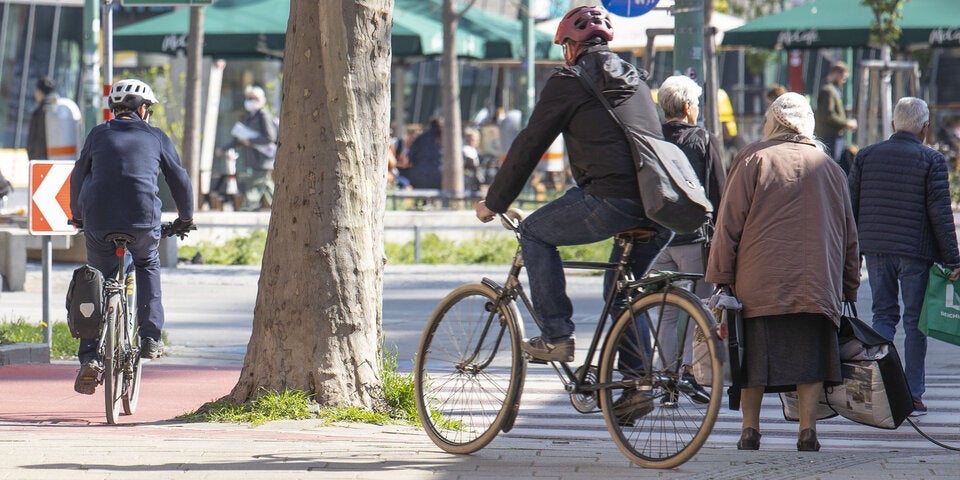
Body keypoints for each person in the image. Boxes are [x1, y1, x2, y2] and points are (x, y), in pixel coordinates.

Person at [474, 5, 671, 418]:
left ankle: (556, 334)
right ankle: (636, 383)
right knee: (624, 290)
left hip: (611, 198)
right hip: (660, 204)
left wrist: (495, 202)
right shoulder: (636, 79)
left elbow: (530, 144)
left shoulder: (568, 79)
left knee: (533, 232)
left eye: (564, 45)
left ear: (570, 46)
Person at [705, 92, 860, 452]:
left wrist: (721, 277)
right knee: (810, 359)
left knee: (752, 359)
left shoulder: (752, 159)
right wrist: (849, 287)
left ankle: (750, 430)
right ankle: (808, 432)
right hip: (815, 285)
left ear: (772, 121)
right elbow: (850, 235)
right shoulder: (830, 168)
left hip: (758, 285)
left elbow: (728, 224)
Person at [69, 78, 195, 395]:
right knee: (147, 262)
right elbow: (179, 179)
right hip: (142, 223)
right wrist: (185, 218)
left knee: (97, 278)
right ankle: (150, 336)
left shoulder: (98, 134)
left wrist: (78, 216)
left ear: (114, 110)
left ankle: (88, 357)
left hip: (98, 222)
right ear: (142, 110)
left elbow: (78, 175)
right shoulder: (155, 136)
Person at [847, 97, 960, 416]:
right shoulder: (931, 159)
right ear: (925, 128)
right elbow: (939, 213)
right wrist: (953, 260)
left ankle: (882, 393)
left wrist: (851, 254)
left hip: (877, 249)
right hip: (915, 252)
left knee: (882, 316)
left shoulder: (866, 155)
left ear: (894, 124)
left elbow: (851, 207)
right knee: (914, 323)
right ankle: (912, 395)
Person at [653, 75, 726, 403]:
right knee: (700, 309)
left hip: (657, 243)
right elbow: (719, 192)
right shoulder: (703, 139)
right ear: (686, 107)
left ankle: (666, 378)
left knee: (667, 312)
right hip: (694, 241)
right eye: (696, 103)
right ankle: (689, 373)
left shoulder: (650, 138)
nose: (698, 109)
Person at [219, 85, 277, 211]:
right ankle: (281, 206)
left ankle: (248, 207)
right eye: (249, 98)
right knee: (266, 184)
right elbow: (239, 139)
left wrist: (250, 141)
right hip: (253, 158)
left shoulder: (263, 115)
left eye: (253, 98)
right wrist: (223, 149)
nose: (250, 101)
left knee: (255, 183)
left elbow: (270, 137)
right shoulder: (250, 116)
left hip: (262, 158)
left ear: (261, 100)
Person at [814, 61, 858, 163]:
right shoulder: (828, 91)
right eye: (843, 77)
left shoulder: (833, 90)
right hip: (830, 136)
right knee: (833, 164)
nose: (843, 81)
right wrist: (846, 123)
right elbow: (828, 115)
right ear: (837, 74)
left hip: (834, 136)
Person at [402, 116, 443, 189]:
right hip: (440, 176)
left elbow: (411, 157)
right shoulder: (444, 140)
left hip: (419, 176)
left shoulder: (421, 138)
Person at [26, 77, 57, 160]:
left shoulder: (39, 112)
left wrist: (32, 156)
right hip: (58, 158)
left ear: (39, 92)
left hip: (40, 157)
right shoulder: (60, 111)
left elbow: (34, 137)